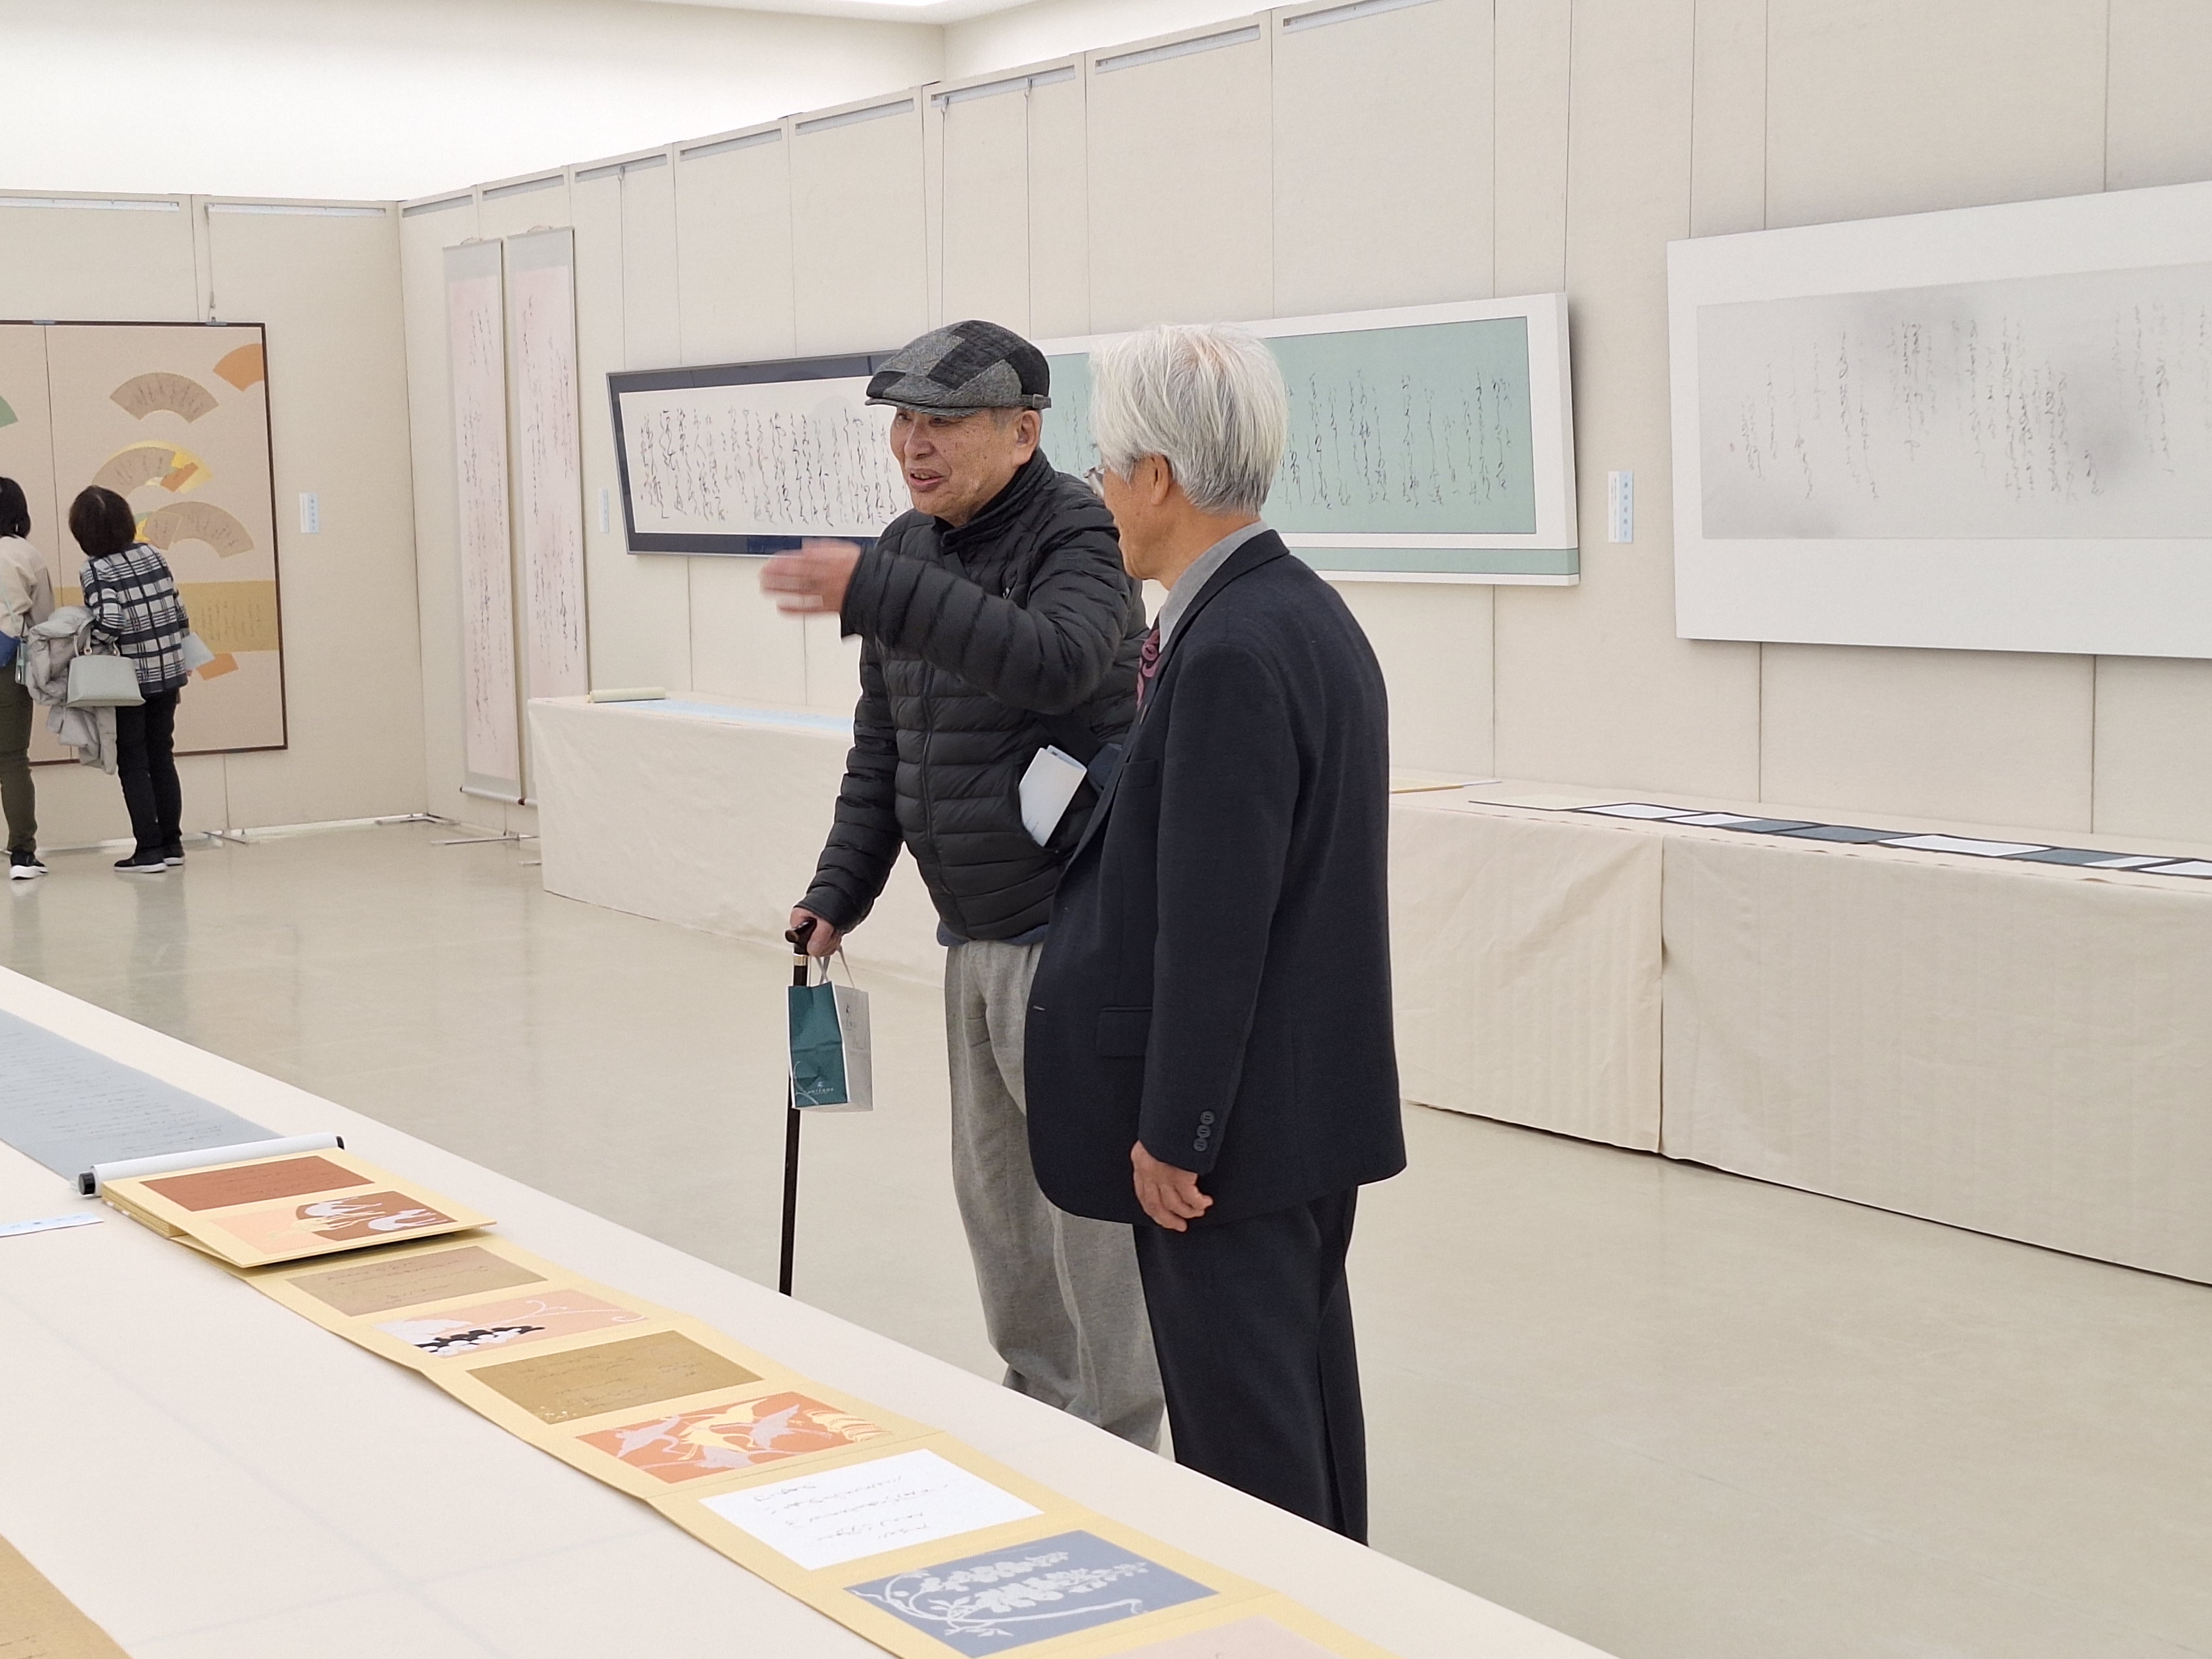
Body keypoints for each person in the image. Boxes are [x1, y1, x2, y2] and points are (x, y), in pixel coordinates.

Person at [1024, 324, 1406, 1541]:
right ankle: (1340, 1604)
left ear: (1158, 478)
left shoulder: (1232, 649)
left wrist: (1176, 1130)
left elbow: (1216, 923)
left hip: (1231, 1138)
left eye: (1104, 467)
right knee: (1299, 1407)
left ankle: (1287, 1616)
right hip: (1299, 1107)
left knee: (1247, 1446)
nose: (1099, 495)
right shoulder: (1300, 613)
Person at [761, 319, 1163, 1446]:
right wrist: (839, 889)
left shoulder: (1078, 529)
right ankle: (1041, 1408)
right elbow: (884, 747)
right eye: (904, 421)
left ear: (1024, 431)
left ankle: (1120, 1438)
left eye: (942, 422)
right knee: (999, 1205)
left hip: (1072, 932)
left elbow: (1059, 661)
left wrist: (885, 591)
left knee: (1087, 1208)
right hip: (971, 927)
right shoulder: (908, 548)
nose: (914, 444)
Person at [69, 485, 190, 874]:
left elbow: (110, 621)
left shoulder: (95, 569)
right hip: (169, 671)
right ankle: (172, 844)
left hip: (130, 681)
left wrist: (89, 638)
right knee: (162, 754)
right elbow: (179, 611)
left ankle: (148, 849)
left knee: (134, 761)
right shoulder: (153, 554)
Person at [0, 477, 56, 878]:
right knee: (13, 759)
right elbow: (44, 621)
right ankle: (22, 854)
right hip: (8, 666)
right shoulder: (26, 554)